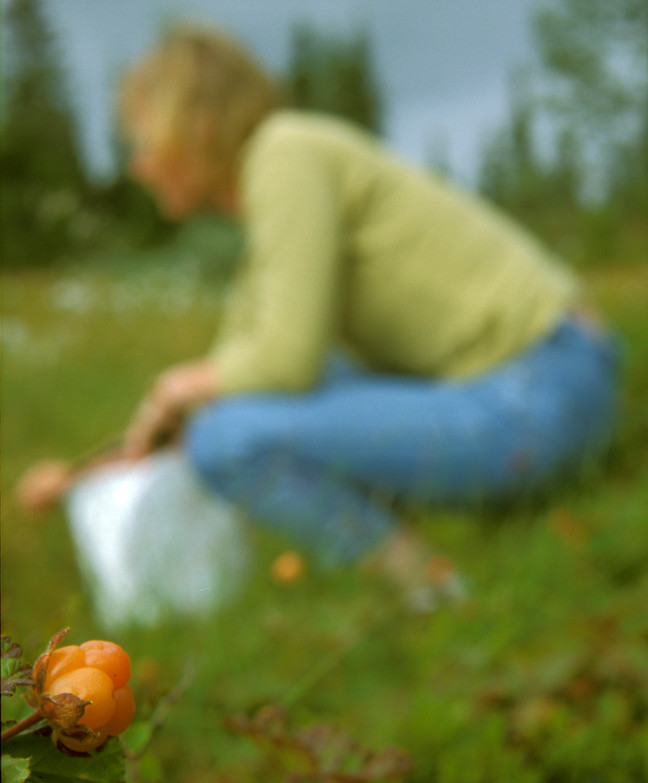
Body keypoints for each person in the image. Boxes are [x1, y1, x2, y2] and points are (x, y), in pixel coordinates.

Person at [16, 26, 620, 602]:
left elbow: (283, 359)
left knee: (228, 440)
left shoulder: (286, 153)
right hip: (542, 381)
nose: (137, 166)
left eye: (144, 142)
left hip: (540, 390)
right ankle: (429, 565)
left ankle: (428, 589)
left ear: (196, 126)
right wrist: (83, 476)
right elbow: (228, 381)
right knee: (227, 417)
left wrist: (178, 388)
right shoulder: (275, 198)